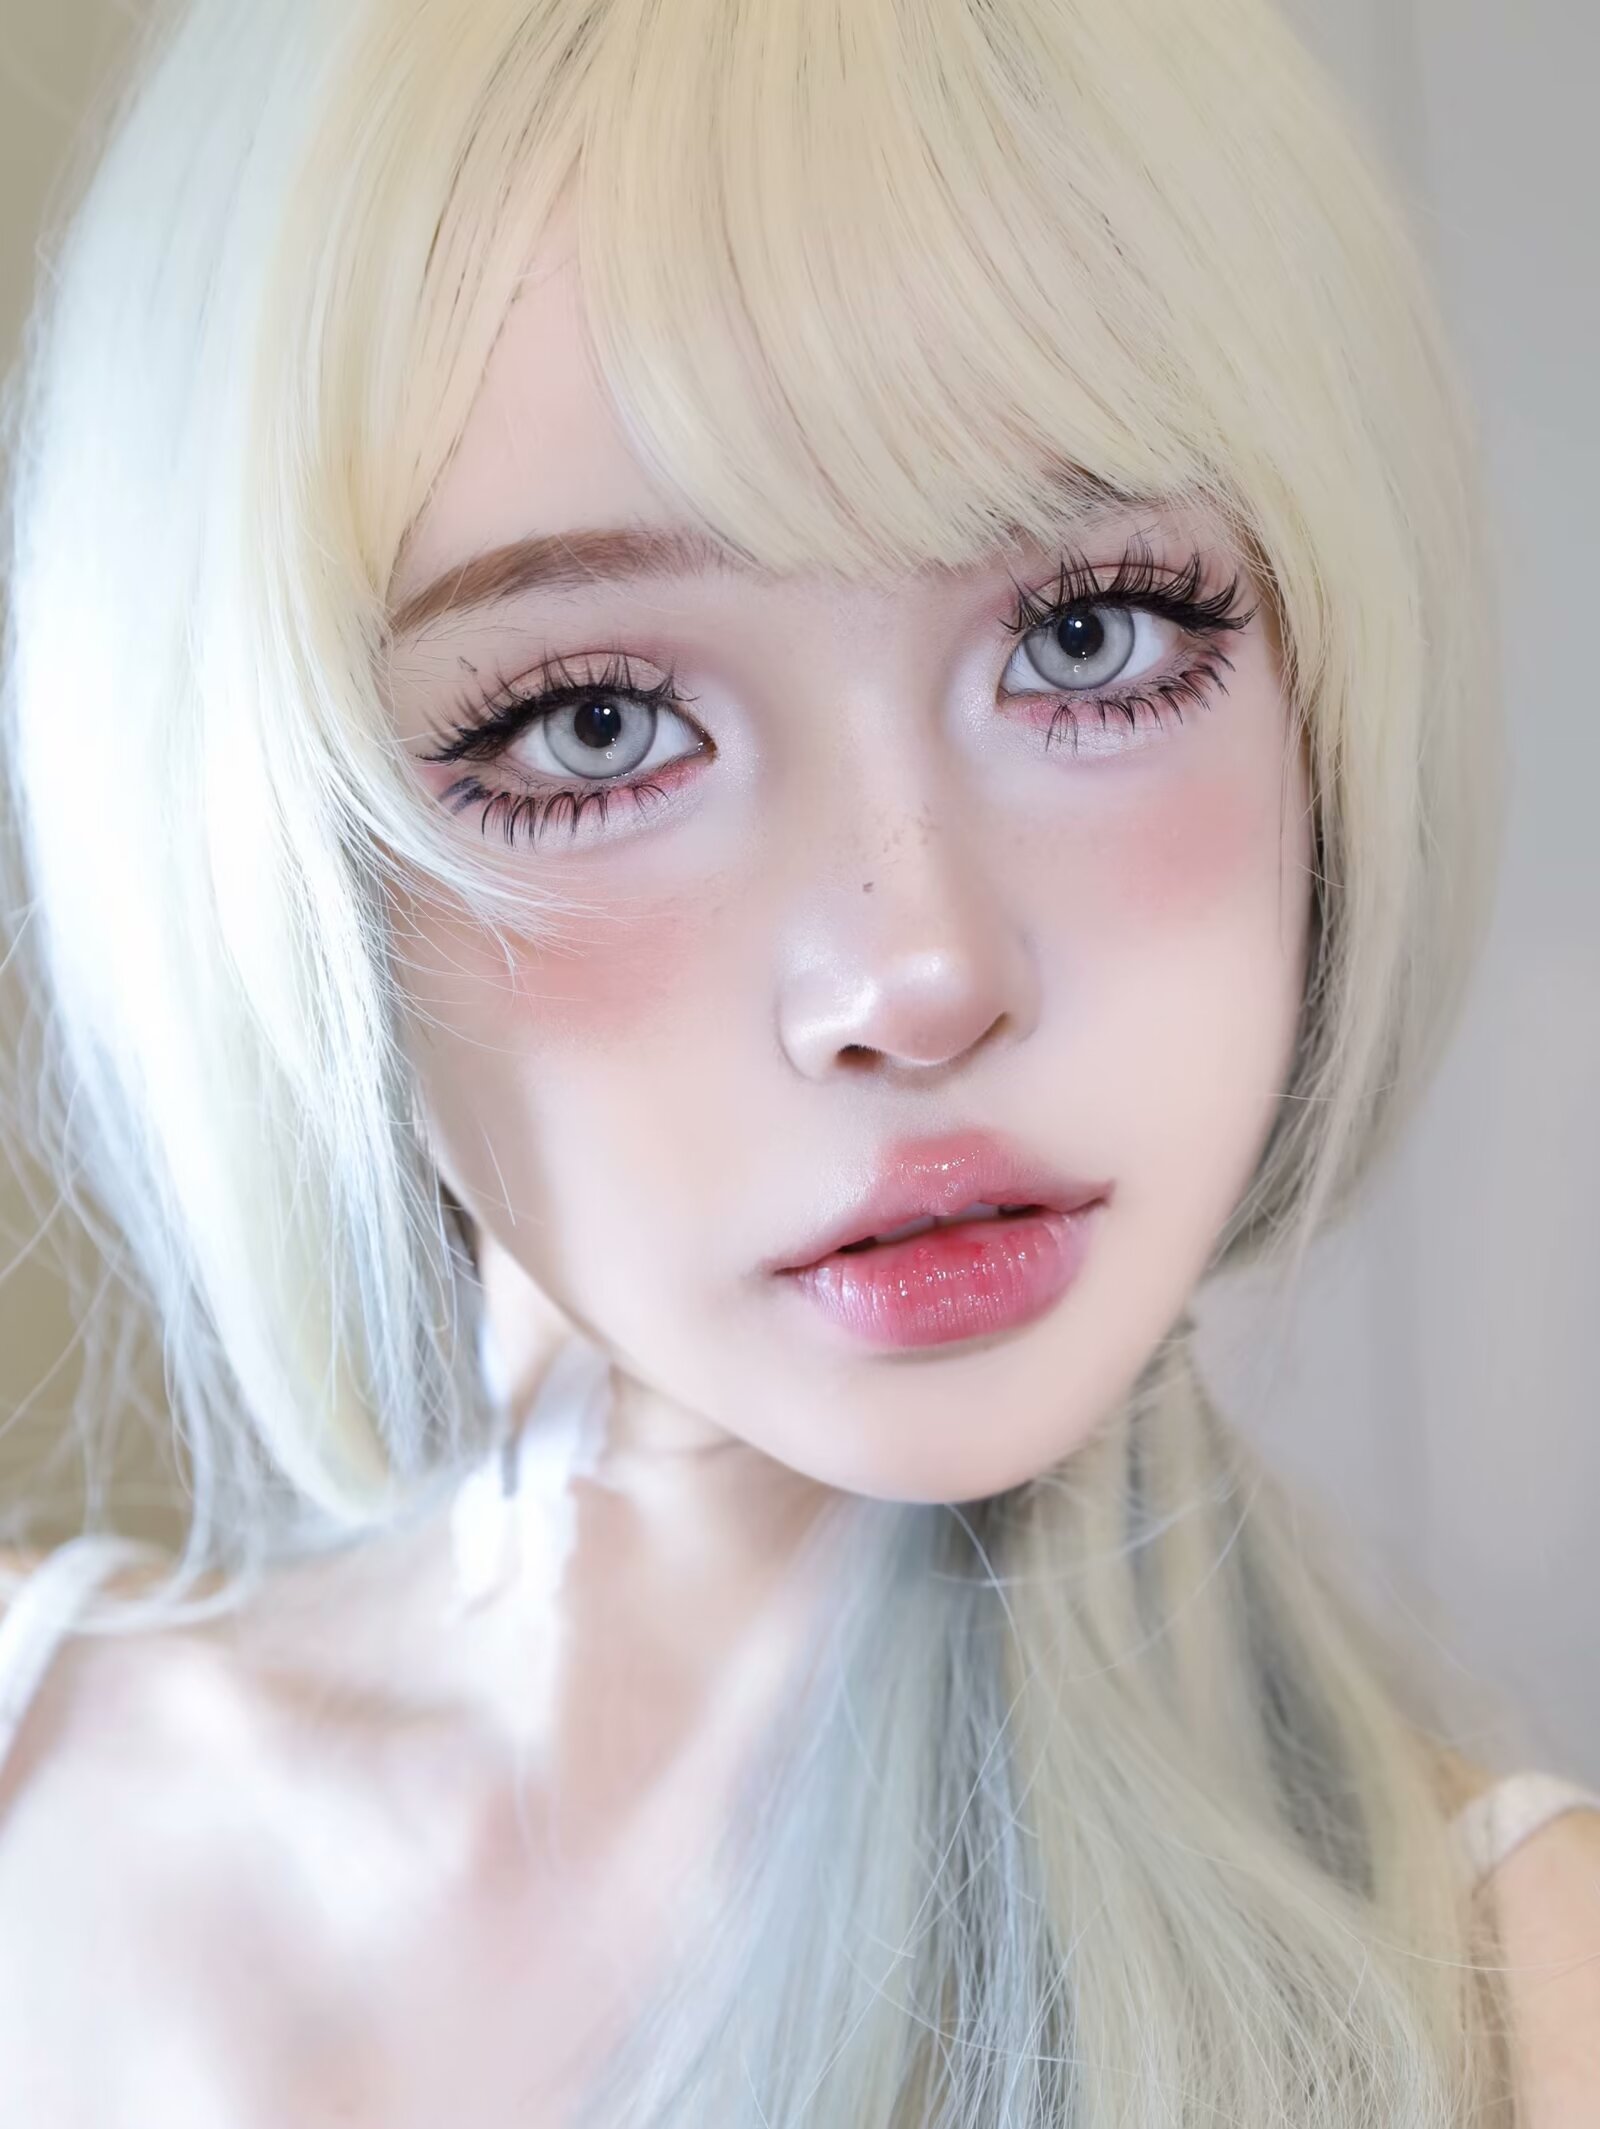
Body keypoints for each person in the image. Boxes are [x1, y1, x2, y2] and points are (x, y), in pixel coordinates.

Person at [0, 0, 1595, 2120]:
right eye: (592, 726)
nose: (918, 972)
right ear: (255, 830)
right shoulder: (43, 1789)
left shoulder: (1515, 2018)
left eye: (1089, 633)